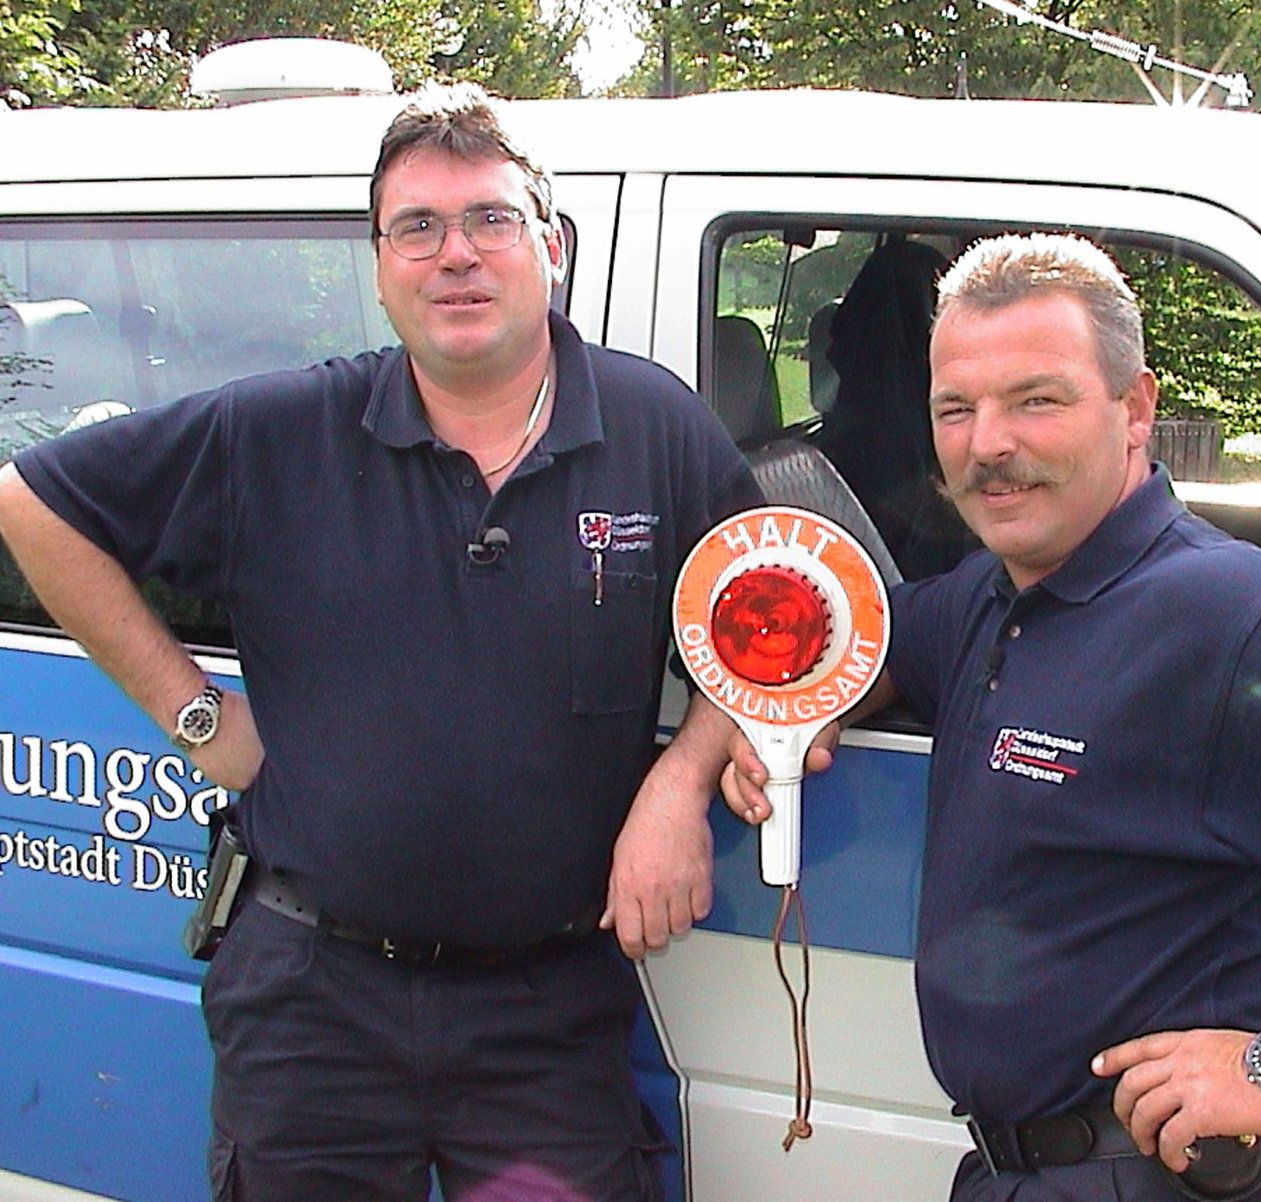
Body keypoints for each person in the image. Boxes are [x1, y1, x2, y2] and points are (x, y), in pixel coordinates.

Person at [0, 83, 761, 1202]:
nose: (456, 254)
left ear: (549, 246)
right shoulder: (278, 431)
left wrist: (681, 781)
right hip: (313, 999)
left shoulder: (655, 426)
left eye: (490, 219)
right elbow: (31, 501)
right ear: (379, 266)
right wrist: (196, 716)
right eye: (418, 227)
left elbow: (781, 619)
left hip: (548, 1006)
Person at [722, 232, 1261, 1201]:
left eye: (1036, 400)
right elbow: (868, 645)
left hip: (1160, 1175)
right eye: (956, 409)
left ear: (1136, 408)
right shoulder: (992, 595)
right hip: (1018, 1170)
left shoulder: (1241, 615)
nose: (989, 443)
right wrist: (798, 709)